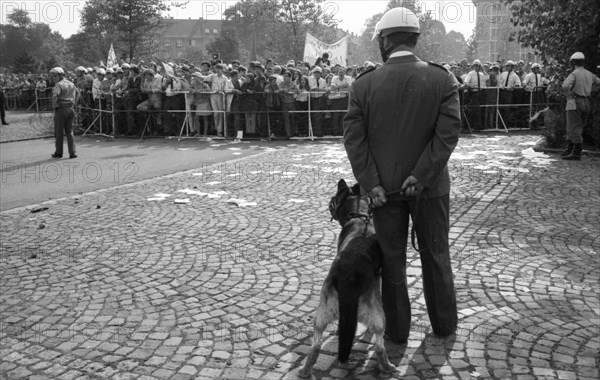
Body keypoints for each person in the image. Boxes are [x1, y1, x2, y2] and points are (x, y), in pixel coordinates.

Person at [343, 7, 460, 344]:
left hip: (384, 192)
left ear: (385, 40)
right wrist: (421, 176)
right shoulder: (442, 79)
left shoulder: (364, 85)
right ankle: (444, 325)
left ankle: (396, 332)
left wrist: (371, 184)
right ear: (414, 38)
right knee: (436, 255)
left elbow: (354, 139)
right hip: (431, 190)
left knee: (392, 262)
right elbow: (447, 135)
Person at [561, 52, 600, 160]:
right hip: (586, 102)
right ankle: (570, 149)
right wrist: (590, 90)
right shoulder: (589, 74)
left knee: (573, 126)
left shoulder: (574, 74)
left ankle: (576, 152)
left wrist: (569, 94)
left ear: (573, 62)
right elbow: (598, 83)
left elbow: (565, 86)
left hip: (574, 101)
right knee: (580, 126)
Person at [49, 67, 78, 159]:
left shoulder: (58, 85)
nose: (53, 77)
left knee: (59, 132)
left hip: (61, 109)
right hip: (70, 109)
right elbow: (78, 93)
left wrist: (54, 106)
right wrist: (74, 103)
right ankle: (72, 152)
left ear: (61, 75)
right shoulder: (71, 83)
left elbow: (54, 96)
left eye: (55, 75)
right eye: (52, 76)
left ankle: (58, 152)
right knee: (69, 131)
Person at [462, 59, 486, 130]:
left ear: (480, 66)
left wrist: (483, 70)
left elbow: (487, 78)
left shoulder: (482, 74)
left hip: (481, 93)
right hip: (473, 93)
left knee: (481, 110)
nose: (476, 67)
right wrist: (467, 85)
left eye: (477, 66)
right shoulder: (470, 73)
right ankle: (476, 126)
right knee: (476, 110)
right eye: (475, 66)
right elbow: (466, 81)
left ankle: (479, 125)